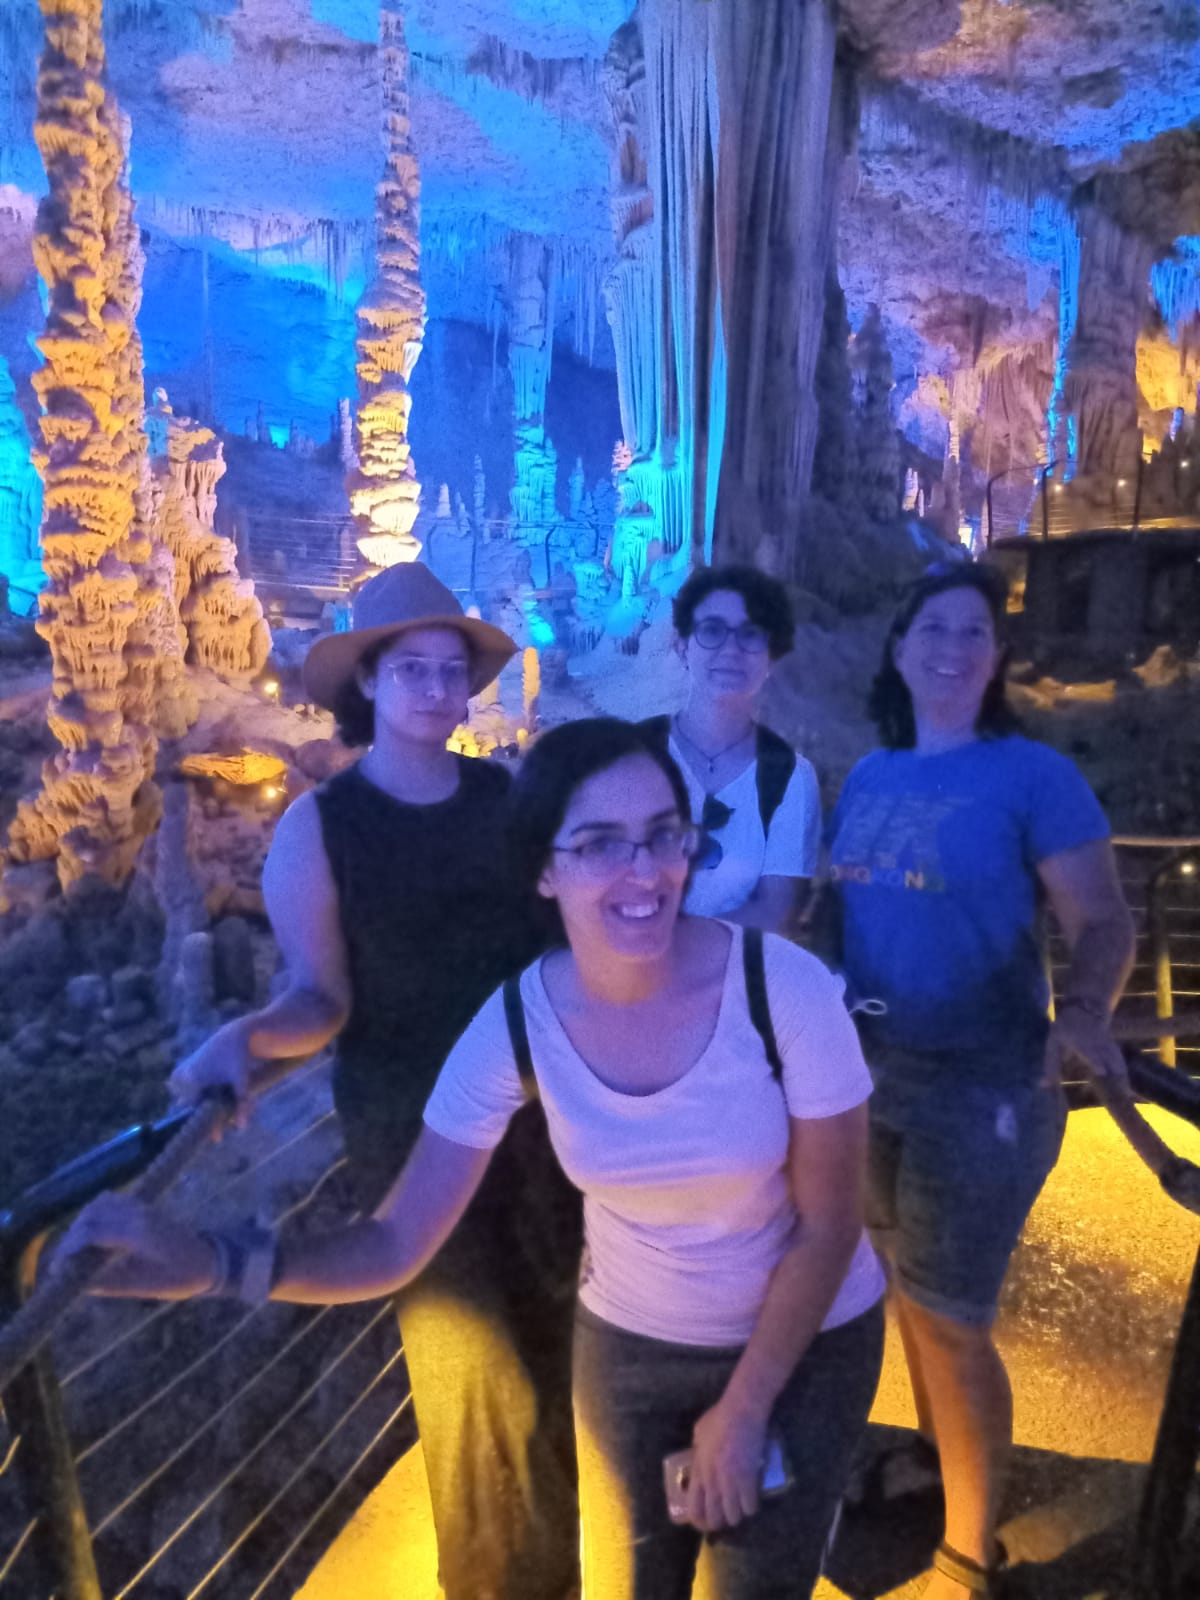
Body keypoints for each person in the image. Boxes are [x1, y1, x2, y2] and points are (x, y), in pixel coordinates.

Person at [68, 717, 885, 1600]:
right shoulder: (520, 1024)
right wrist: (212, 1264)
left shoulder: (782, 990)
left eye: (662, 835)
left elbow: (829, 1224)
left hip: (804, 1344)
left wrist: (744, 1410)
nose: (643, 870)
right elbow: (396, 1241)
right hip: (634, 1348)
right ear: (544, 871)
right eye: (598, 844)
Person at [168, 562, 581, 1600]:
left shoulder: (507, 801)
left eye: (449, 671)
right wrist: (249, 1037)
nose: (437, 690)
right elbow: (320, 996)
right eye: (412, 670)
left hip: (541, 1123)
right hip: (410, 1129)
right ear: (370, 682)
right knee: (475, 1379)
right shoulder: (321, 827)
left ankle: (567, 1569)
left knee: (557, 1348)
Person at [827, 563, 1135, 1599]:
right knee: (909, 1299)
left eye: (974, 632)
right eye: (934, 628)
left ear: (996, 658)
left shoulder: (1032, 777)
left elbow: (1103, 919)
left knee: (953, 1315)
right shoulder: (869, 777)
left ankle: (969, 1553)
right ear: (899, 648)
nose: (952, 648)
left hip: (985, 1084)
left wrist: (1084, 1010)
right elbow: (848, 923)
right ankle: (933, 1457)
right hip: (870, 1080)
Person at [648, 564, 820, 934]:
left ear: (771, 657)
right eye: (712, 630)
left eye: (751, 634)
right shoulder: (633, 755)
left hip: (733, 970)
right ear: (682, 645)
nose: (731, 650)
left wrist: (664, 942)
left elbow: (775, 915)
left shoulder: (789, 777)